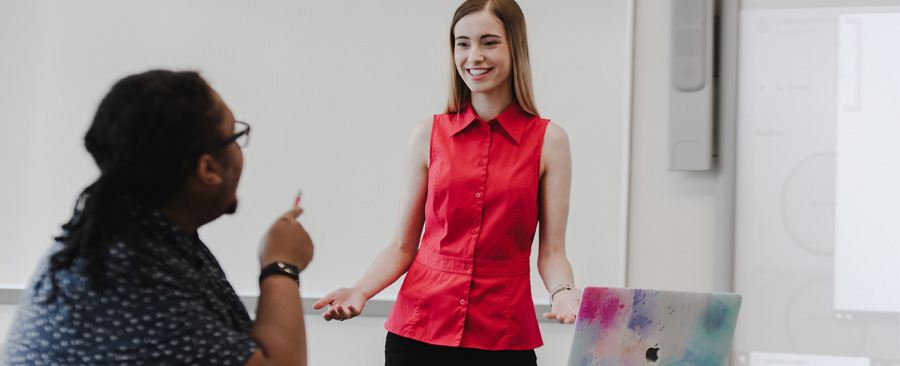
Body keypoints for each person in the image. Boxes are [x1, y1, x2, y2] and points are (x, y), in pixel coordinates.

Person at [312, 1, 581, 364]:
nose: (474, 56)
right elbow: (401, 245)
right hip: (418, 332)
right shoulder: (427, 134)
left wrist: (563, 293)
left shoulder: (550, 141)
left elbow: (551, 253)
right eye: (462, 43)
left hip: (502, 337)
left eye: (489, 42)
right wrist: (360, 290)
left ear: (515, 47)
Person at [1, 70, 314, 366]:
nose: (239, 148)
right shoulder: (124, 276)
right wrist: (281, 264)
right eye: (234, 136)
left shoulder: (142, 237)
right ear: (207, 169)